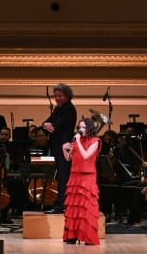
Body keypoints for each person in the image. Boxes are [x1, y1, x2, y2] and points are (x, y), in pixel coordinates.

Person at [62, 117, 102, 245]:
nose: (80, 130)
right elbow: (69, 159)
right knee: (74, 208)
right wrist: (64, 149)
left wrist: (78, 141)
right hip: (75, 176)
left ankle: (88, 237)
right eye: (79, 127)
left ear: (89, 128)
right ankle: (72, 236)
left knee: (86, 207)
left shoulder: (95, 141)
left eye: (83, 127)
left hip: (87, 176)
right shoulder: (77, 142)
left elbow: (86, 156)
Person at [43, 83, 77, 213]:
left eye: (60, 96)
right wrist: (45, 125)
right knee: (61, 177)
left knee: (63, 177)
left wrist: (48, 125)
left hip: (65, 148)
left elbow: (55, 126)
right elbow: (45, 124)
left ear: (67, 96)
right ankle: (61, 204)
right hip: (57, 147)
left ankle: (61, 205)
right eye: (55, 96)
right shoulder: (58, 109)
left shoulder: (69, 109)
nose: (57, 98)